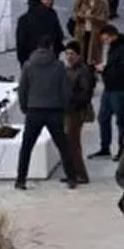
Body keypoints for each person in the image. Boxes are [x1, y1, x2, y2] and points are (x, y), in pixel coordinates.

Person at [15, 36, 79, 190]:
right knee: (63, 146)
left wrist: (25, 107)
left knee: (26, 147)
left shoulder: (28, 65)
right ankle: (71, 177)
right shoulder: (58, 66)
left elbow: (23, 89)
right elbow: (65, 90)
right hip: (54, 110)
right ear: (51, 47)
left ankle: (21, 180)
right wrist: (64, 107)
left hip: (34, 110)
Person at [91, 25, 124, 162]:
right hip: (110, 88)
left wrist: (104, 70)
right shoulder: (114, 48)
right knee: (103, 118)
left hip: (121, 89)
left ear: (111, 35)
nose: (104, 42)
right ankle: (105, 147)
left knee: (120, 120)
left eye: (105, 39)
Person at [63, 41, 94, 185]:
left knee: (73, 143)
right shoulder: (68, 69)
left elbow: (85, 93)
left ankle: (80, 174)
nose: (69, 57)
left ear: (78, 55)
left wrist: (72, 103)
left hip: (76, 111)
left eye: (72, 54)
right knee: (70, 142)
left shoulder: (83, 70)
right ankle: (73, 172)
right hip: (68, 110)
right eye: (67, 53)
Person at [16, 0, 65, 67]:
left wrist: (22, 62)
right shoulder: (51, 15)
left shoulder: (23, 20)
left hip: (30, 61)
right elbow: (59, 36)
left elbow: (21, 43)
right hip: (50, 58)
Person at [73, 0, 109, 66]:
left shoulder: (102, 1)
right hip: (82, 31)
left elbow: (104, 18)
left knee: (93, 55)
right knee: (82, 53)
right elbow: (76, 11)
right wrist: (80, 15)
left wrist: (92, 18)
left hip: (95, 32)